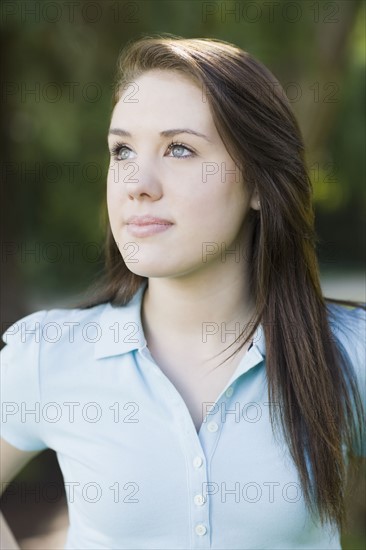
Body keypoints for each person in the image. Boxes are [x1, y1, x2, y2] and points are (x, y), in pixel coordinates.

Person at [1, 34, 365, 550]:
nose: (137, 182)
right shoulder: (49, 355)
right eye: (122, 149)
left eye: (179, 149)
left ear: (260, 183)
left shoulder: (347, 353)